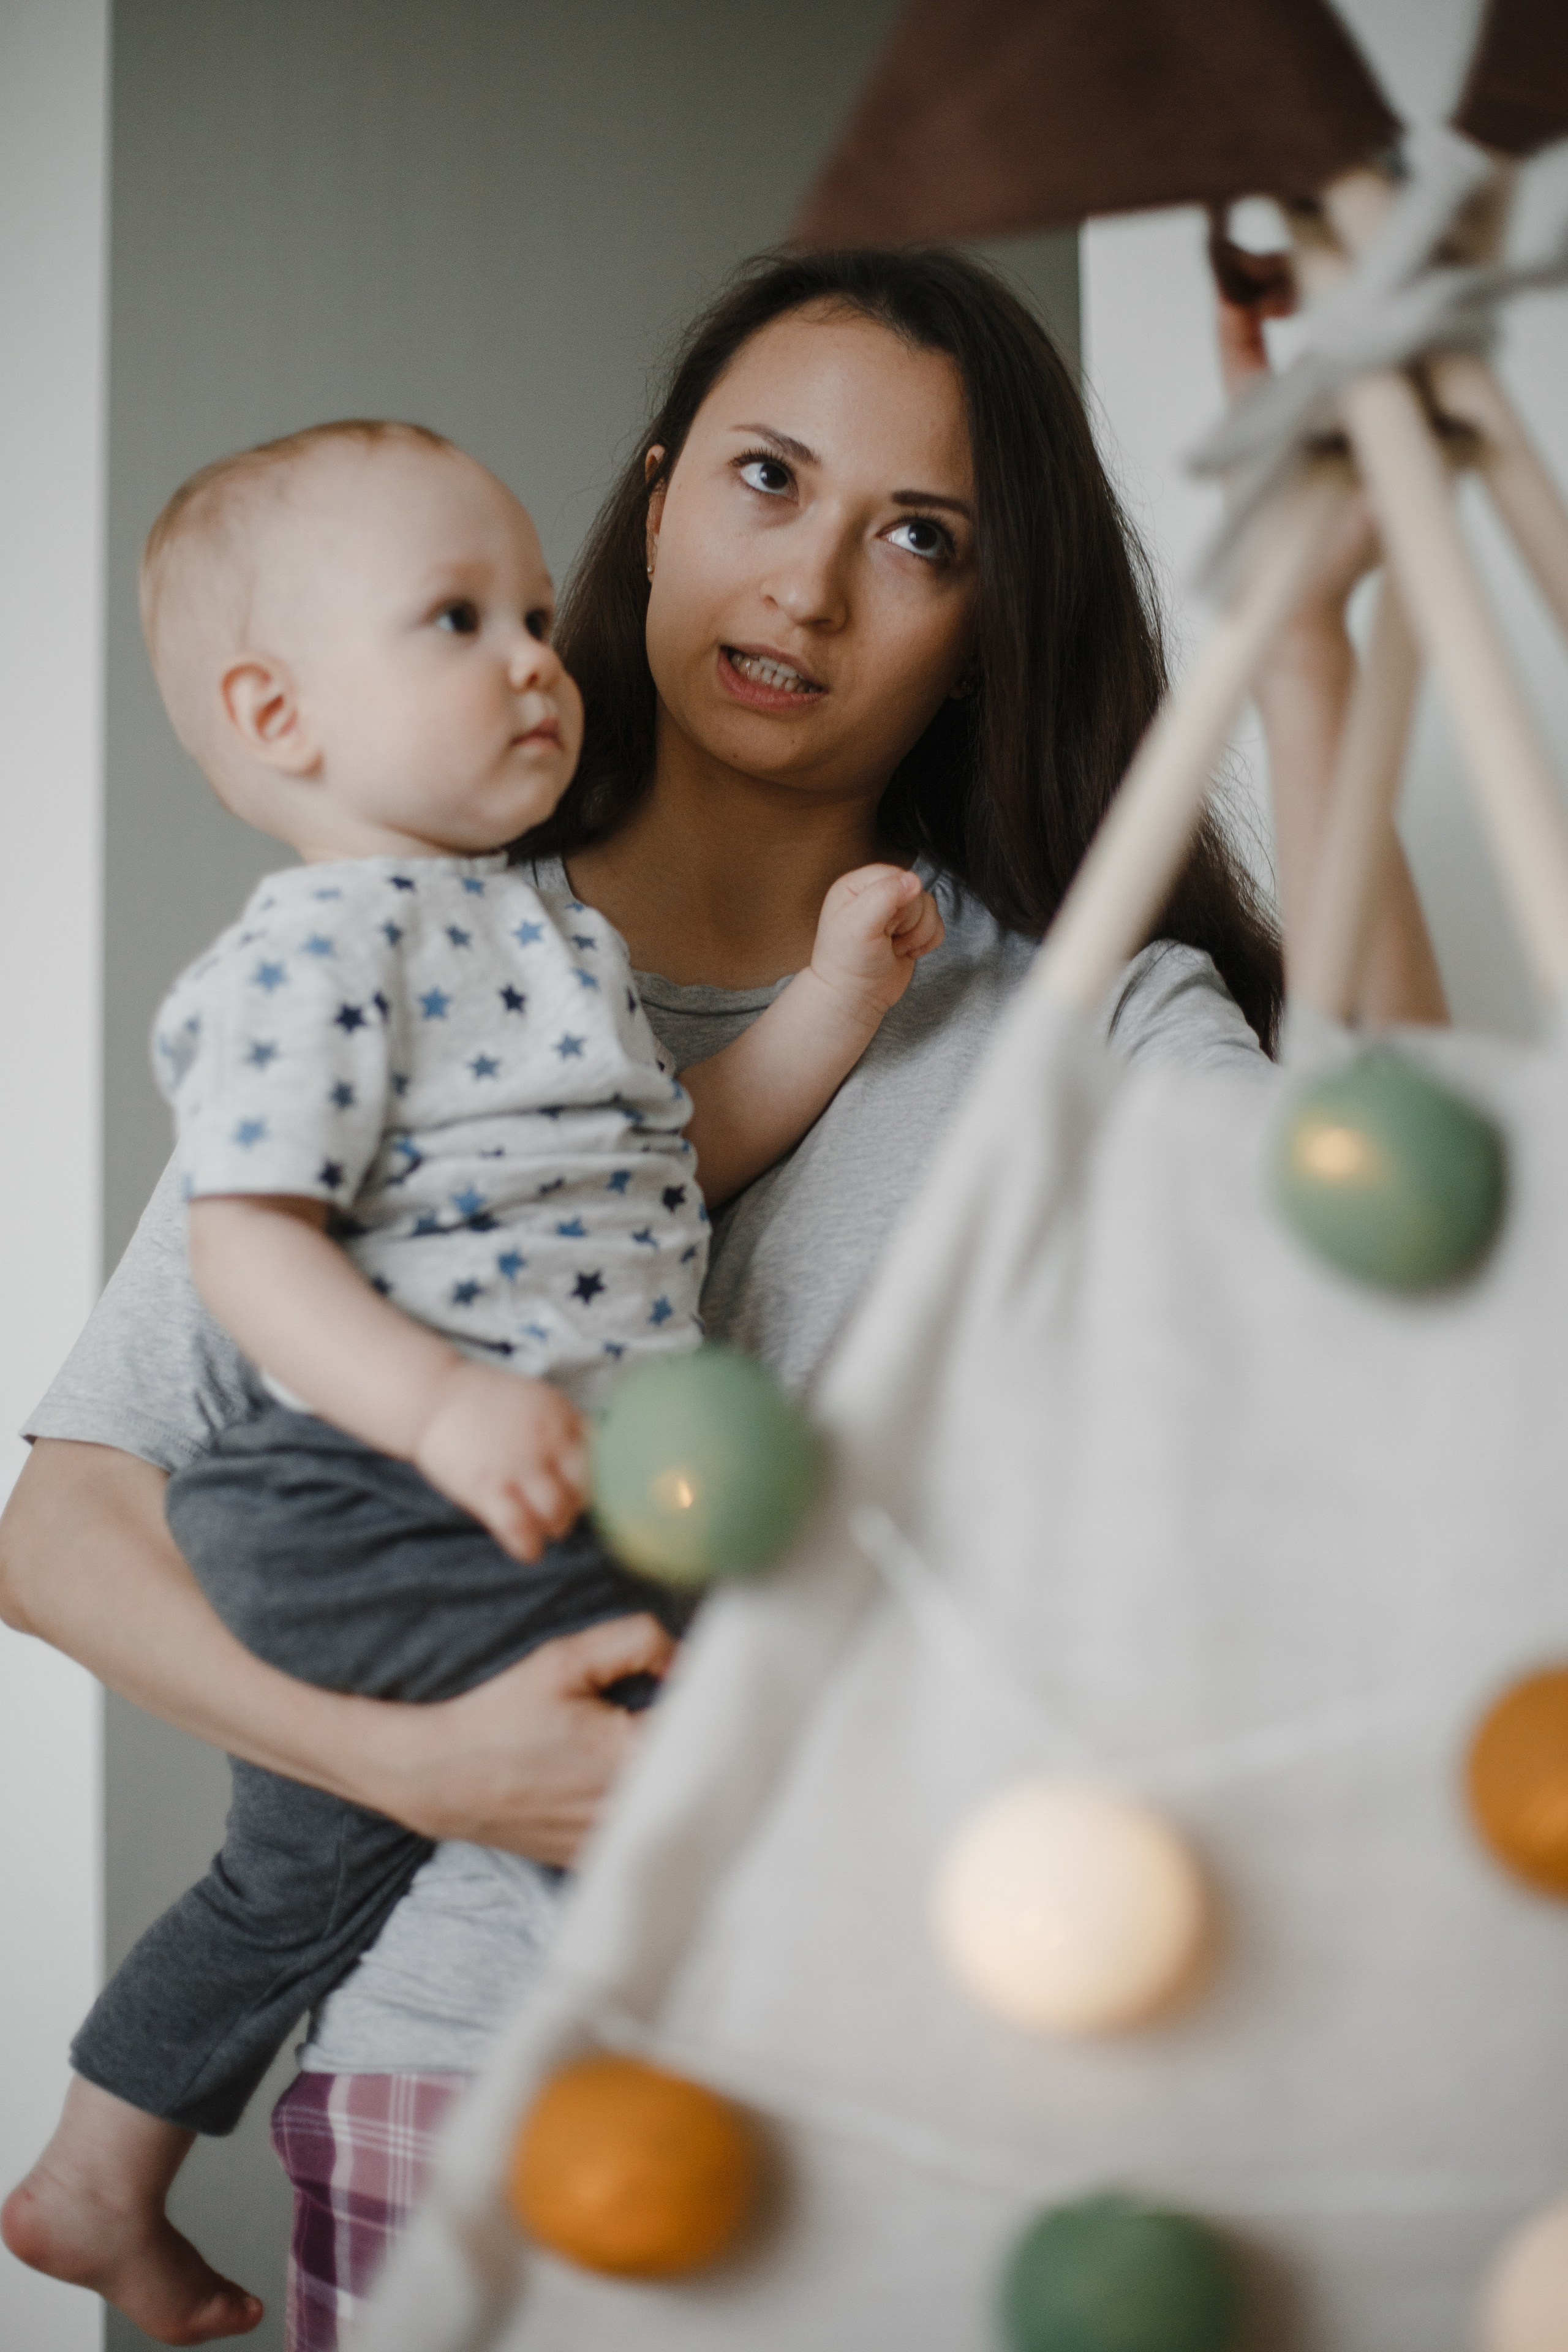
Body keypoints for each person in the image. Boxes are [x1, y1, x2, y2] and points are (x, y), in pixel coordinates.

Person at [0, 244, 1445, 2351]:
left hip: (928, 2095)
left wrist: (1306, 645)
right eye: (769, 483)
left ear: (983, 623)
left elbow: (1402, 1204)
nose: (812, 587)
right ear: (662, 498)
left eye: (919, 539)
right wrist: (434, 1770)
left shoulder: (1090, 1016)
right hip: (465, 2084)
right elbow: (65, 1534)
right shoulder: (396, 966)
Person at [4, 411, 944, 2338]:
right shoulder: (324, 947)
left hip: (505, 1482)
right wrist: (437, 1409)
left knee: (297, 1875)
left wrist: (841, 999)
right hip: (376, 1494)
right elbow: (246, 1241)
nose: (535, 655)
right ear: (280, 719)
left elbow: (678, 1155)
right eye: (455, 620)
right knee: (675, 1721)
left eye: (529, 608)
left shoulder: (534, 936)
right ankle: (699, 2029)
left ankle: (95, 2179)